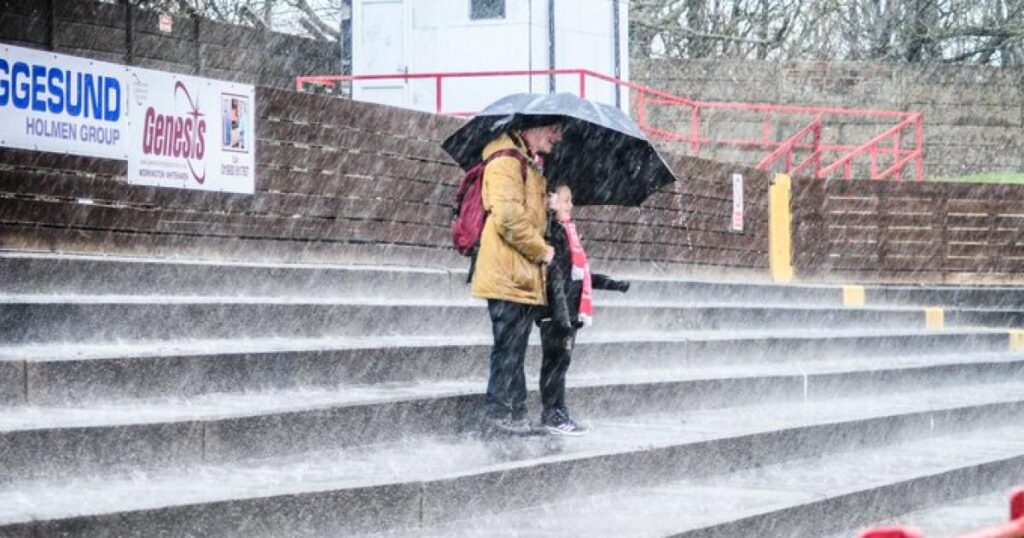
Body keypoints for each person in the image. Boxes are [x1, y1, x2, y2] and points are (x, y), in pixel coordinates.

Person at [471, 118, 563, 435]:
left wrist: (549, 205)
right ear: (534, 128)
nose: (558, 136)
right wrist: (542, 250)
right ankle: (498, 414)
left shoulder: (527, 162)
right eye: (554, 128)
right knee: (508, 347)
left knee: (516, 347)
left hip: (519, 274)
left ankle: (517, 414)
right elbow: (508, 218)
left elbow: (526, 214)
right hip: (506, 272)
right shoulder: (506, 158)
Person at [538, 184, 630, 436]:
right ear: (552, 202)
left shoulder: (569, 234)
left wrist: (614, 284)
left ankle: (558, 410)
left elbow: (582, 276)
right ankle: (552, 413)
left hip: (569, 312)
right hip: (557, 314)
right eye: (566, 201)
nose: (571, 206)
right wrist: (561, 316)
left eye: (571, 200)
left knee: (561, 363)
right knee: (555, 363)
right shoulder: (552, 235)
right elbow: (554, 278)